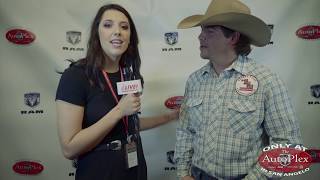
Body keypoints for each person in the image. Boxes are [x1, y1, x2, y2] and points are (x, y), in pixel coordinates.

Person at [174, 0, 302, 179]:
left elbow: (287, 145)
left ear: (233, 37)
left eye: (209, 31)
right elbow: (185, 130)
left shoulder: (266, 81)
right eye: (201, 30)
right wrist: (183, 173)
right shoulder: (195, 81)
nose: (200, 36)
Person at [56, 4, 178, 180]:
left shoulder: (129, 74)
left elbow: (129, 123)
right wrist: (119, 110)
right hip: (99, 171)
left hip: (134, 168)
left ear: (130, 37)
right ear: (97, 34)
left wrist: (170, 117)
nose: (117, 31)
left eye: (124, 27)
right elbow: (69, 148)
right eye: (108, 25)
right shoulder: (76, 76)